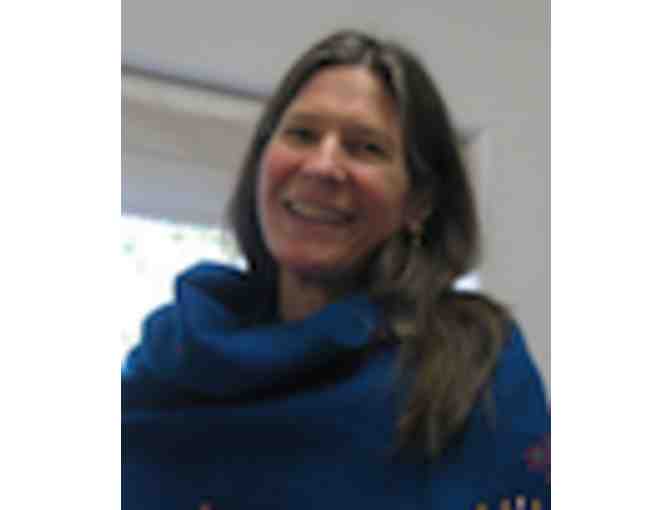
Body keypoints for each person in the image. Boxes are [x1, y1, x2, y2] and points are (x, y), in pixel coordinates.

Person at [122, 30, 550, 509]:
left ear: (419, 202)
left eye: (365, 147)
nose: (322, 166)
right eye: (302, 134)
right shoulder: (171, 367)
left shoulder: (474, 368)